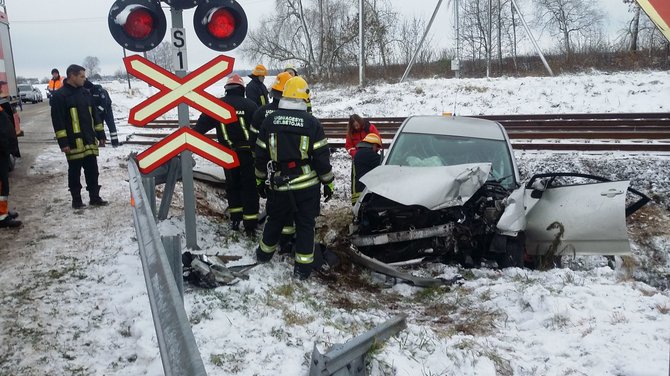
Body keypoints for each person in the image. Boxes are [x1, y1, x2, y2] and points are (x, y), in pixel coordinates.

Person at [254, 76, 334, 280]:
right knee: (306, 225)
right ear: (303, 97)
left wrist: (260, 180)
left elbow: (260, 155)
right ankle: (302, 270)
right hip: (307, 186)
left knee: (275, 220)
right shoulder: (312, 123)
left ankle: (263, 255)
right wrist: (328, 183)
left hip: (279, 184)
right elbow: (322, 159)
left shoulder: (269, 120)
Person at [192, 74, 259, 235]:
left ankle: (235, 220)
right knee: (250, 187)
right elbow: (261, 131)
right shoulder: (251, 105)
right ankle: (250, 225)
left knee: (233, 185)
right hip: (248, 155)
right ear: (242, 89)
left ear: (227, 89)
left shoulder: (216, 106)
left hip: (226, 154)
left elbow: (199, 130)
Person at [50, 64, 108, 209]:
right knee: (74, 173)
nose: (84, 79)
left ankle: (95, 197)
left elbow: (95, 115)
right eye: (82, 76)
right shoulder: (59, 96)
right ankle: (76, 200)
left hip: (89, 141)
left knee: (93, 171)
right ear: (72, 76)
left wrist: (101, 134)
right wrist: (63, 143)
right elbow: (58, 122)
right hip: (73, 144)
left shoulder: (86, 93)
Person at [250, 71, 295, 251]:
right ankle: (287, 239)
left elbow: (254, 143)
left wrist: (259, 169)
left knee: (275, 205)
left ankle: (270, 243)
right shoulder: (296, 114)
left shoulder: (262, 112)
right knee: (291, 205)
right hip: (293, 170)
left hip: (269, 168)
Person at [0, 104, 21, 227]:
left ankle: (3, 212)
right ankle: (2, 217)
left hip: (3, 153)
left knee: (3, 185)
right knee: (1, 186)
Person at [84, 79, 120, 147]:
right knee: (99, 127)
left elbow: (104, 103)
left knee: (111, 126)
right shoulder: (89, 93)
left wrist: (97, 111)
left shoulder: (101, 91)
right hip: (98, 111)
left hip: (107, 111)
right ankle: (102, 142)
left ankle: (115, 142)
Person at [351, 133, 383, 205]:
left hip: (358, 194)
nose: (377, 150)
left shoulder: (360, 153)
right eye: (377, 147)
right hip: (363, 195)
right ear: (373, 144)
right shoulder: (367, 154)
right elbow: (383, 164)